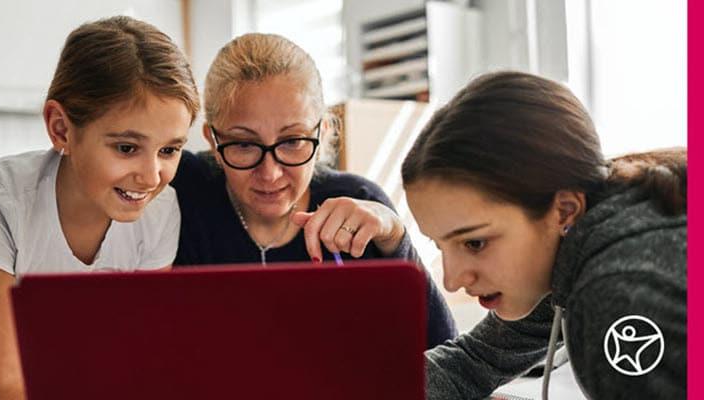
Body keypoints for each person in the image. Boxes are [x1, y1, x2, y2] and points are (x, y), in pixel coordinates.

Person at [0, 16, 199, 400]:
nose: (150, 176)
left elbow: (136, 349)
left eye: (169, 150)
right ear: (61, 129)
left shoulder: (161, 210)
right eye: (126, 148)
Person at [401, 71, 686, 399]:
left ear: (564, 210)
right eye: (440, 246)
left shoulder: (618, 291)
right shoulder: (575, 242)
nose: (451, 281)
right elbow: (473, 361)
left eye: (474, 243)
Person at [170, 33, 457, 348]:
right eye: (243, 144)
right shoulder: (180, 186)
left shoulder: (360, 207)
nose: (270, 173)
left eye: (292, 142)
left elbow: (444, 353)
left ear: (322, 131)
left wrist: (395, 241)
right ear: (213, 140)